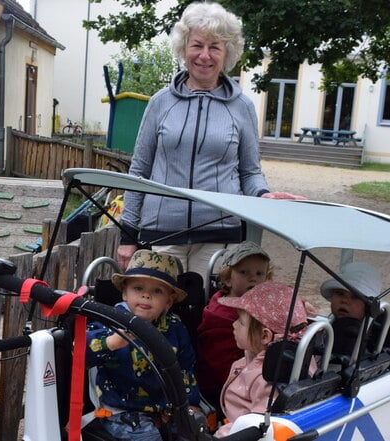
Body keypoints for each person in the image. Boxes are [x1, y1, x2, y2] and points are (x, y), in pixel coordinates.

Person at [115, 1, 305, 280]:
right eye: (197, 45)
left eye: (214, 47)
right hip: (163, 231)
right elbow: (139, 171)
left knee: (208, 317)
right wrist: (128, 234)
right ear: (184, 48)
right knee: (158, 315)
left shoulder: (242, 107)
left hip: (220, 233)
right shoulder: (160, 102)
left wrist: (264, 195)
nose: (205, 55)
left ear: (227, 53)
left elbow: (250, 172)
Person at [85, 249, 201, 440]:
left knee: (195, 430)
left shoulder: (175, 327)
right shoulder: (111, 322)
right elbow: (80, 352)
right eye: (138, 288)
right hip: (122, 410)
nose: (146, 295)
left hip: (168, 408)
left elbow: (186, 369)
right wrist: (110, 343)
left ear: (168, 301)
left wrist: (191, 403)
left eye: (157, 291)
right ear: (124, 293)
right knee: (148, 438)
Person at [214, 281, 312, 437]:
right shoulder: (297, 358)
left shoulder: (270, 378)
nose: (233, 324)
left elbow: (256, 429)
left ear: (265, 335)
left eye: (240, 321)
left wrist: (219, 435)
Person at [195, 241, 272, 410]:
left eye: (260, 274)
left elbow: (278, 302)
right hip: (220, 384)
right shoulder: (220, 316)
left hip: (250, 371)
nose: (253, 278)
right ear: (228, 280)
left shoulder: (255, 302)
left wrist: (300, 304)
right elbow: (219, 365)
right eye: (244, 272)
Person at [319, 261, 382, 360]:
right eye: (340, 293)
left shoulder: (352, 336)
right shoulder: (329, 327)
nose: (344, 301)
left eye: (355, 297)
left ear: (368, 306)